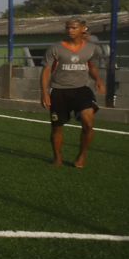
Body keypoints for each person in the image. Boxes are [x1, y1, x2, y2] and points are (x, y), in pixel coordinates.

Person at [40, 19, 105, 168]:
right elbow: (45, 71)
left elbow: (92, 67)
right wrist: (44, 92)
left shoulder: (91, 48)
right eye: (68, 27)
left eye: (74, 28)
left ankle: (81, 156)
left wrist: (98, 79)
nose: (70, 30)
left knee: (88, 124)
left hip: (82, 90)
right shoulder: (55, 48)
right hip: (59, 91)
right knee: (57, 128)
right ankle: (57, 157)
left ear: (82, 29)